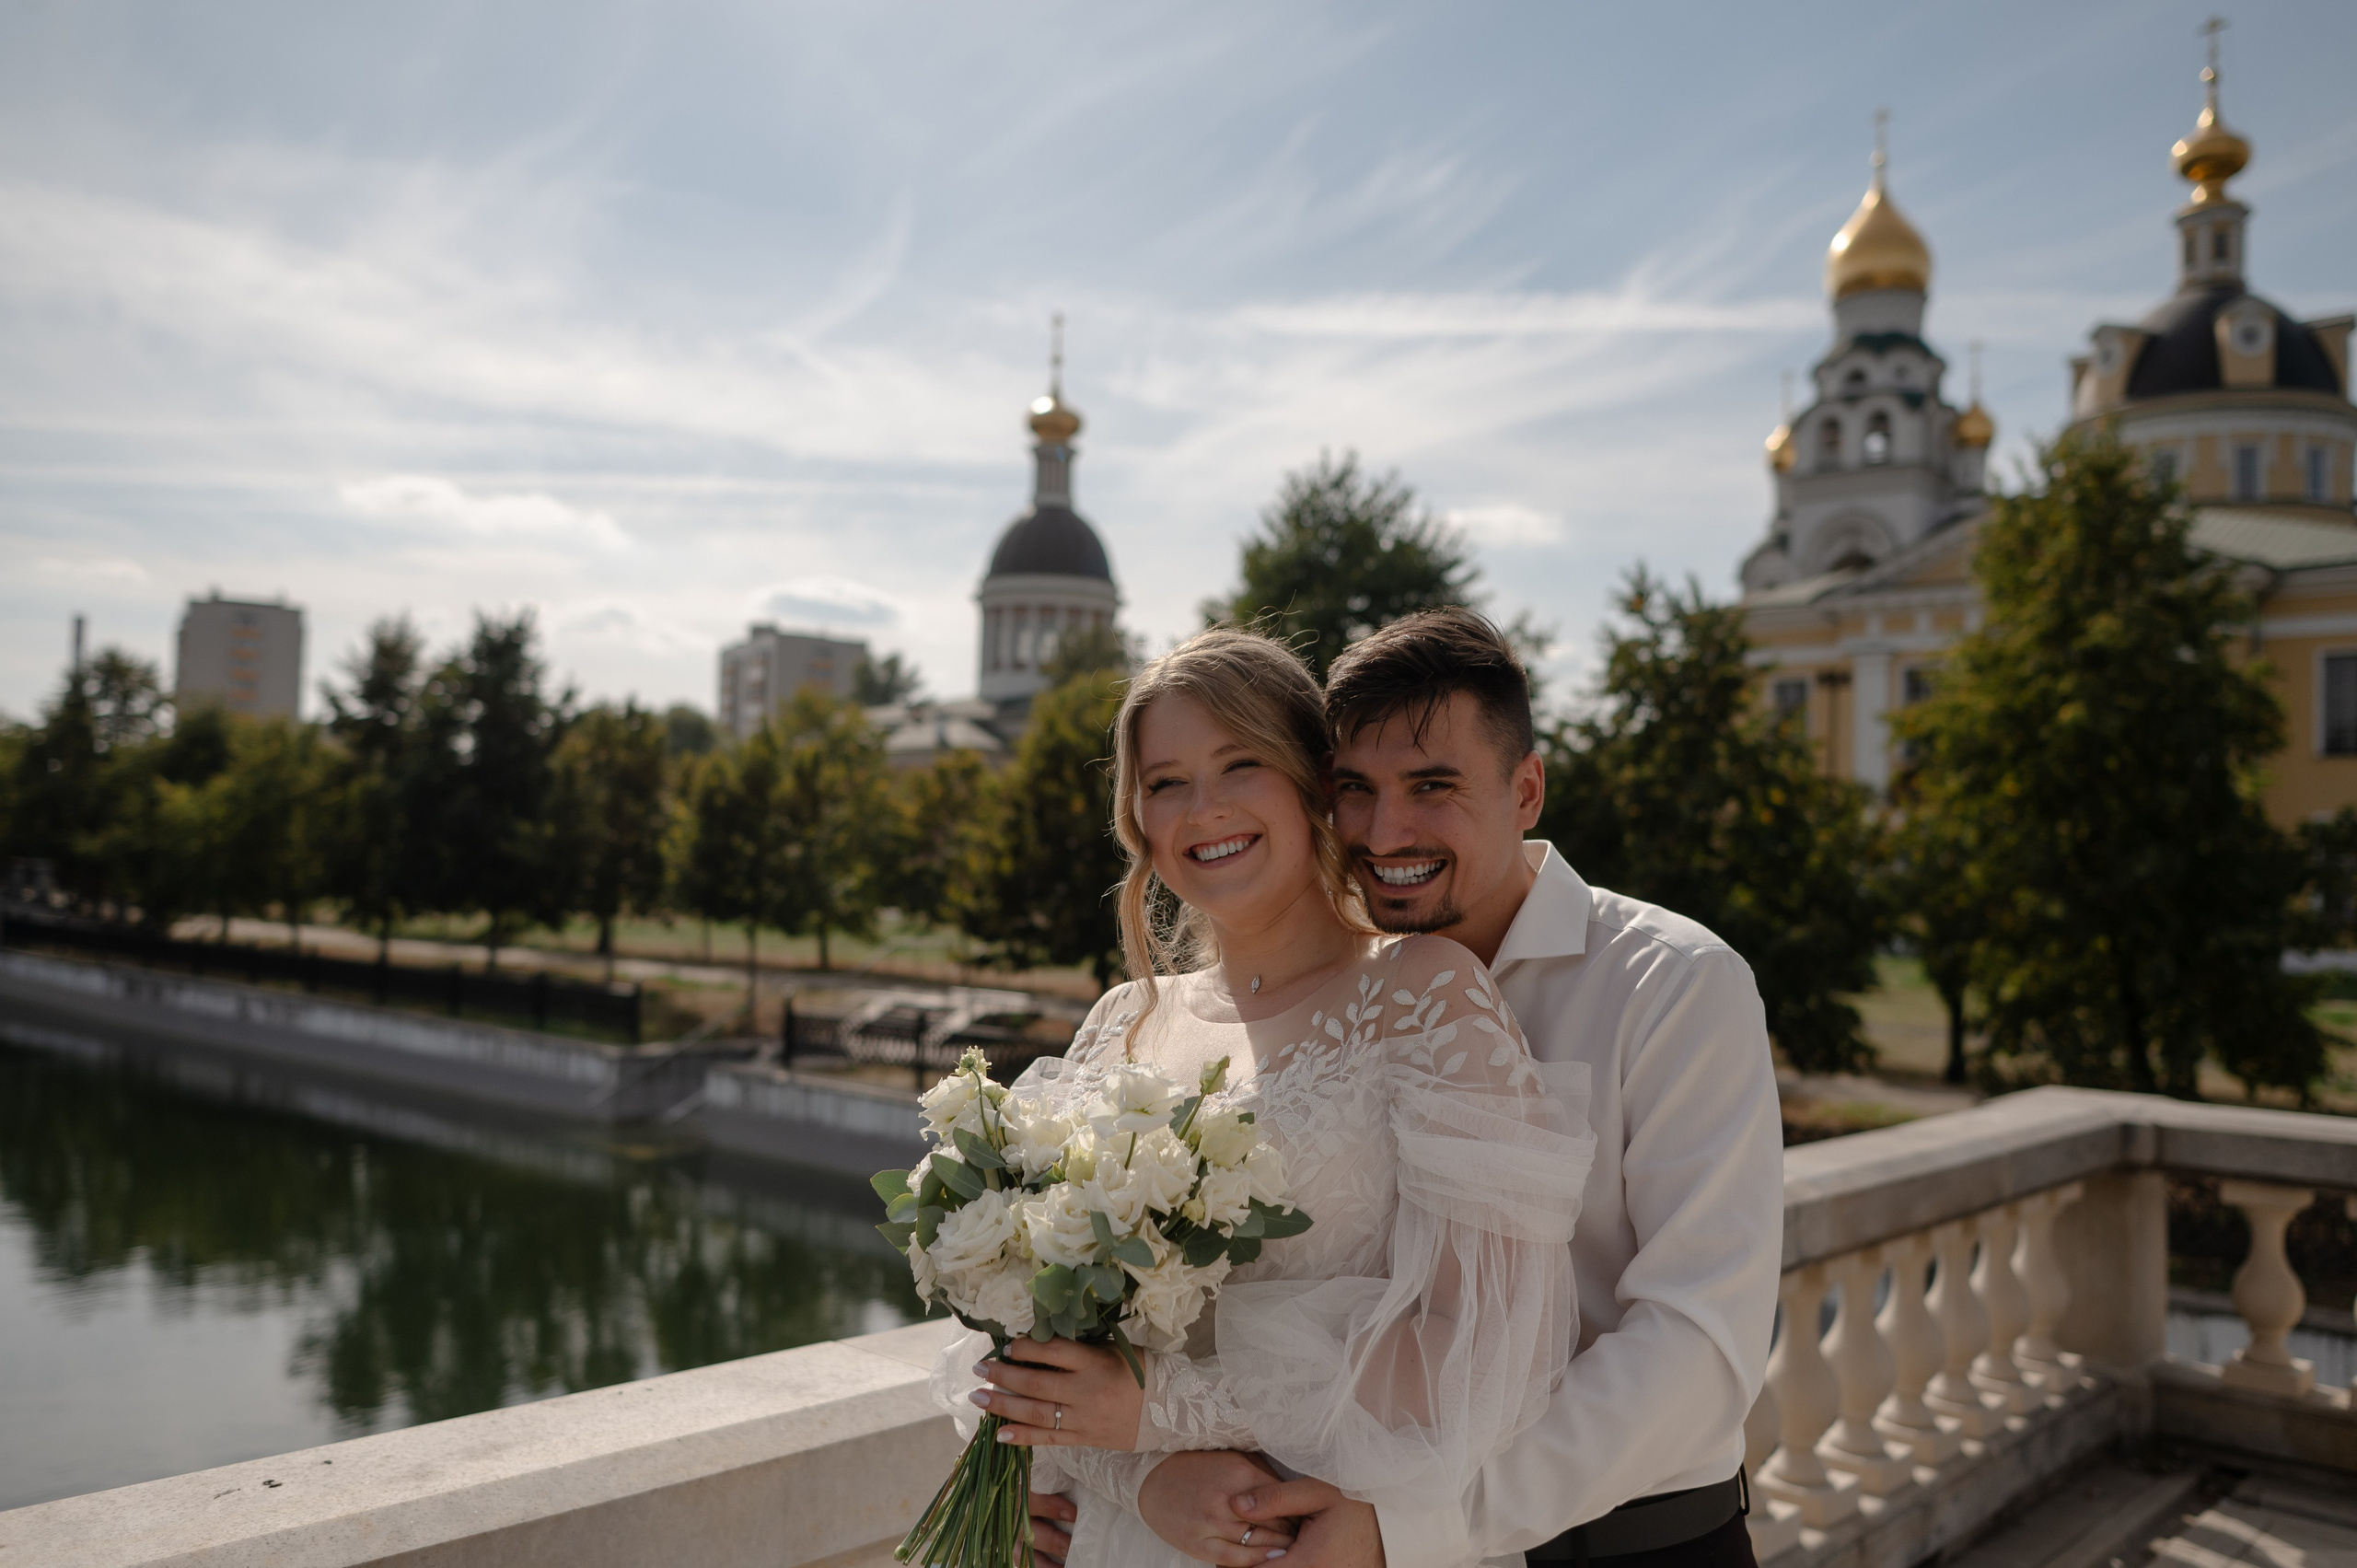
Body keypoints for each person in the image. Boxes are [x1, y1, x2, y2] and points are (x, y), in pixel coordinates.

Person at [1029, 609, 1782, 1568]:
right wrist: (1119, 1474)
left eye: (1433, 787)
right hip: (1278, 1522)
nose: (1387, 830)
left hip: (1622, 1536)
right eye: (1357, 789)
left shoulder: (1671, 982)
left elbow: (1695, 1346)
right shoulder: (1209, 1007)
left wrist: (1409, 1529)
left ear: (1526, 789)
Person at [944, 626, 1597, 1568]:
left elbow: (1486, 1344)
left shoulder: (1424, 992)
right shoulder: (1120, 1021)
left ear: (1309, 783)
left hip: (1324, 1537)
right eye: (1165, 781)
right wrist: (1135, 1471)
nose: (1202, 809)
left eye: (1238, 764)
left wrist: (1163, 1411)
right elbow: (1031, 1340)